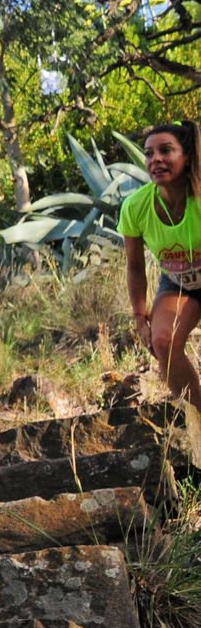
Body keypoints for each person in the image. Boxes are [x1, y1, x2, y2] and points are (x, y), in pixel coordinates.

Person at [122, 121, 201, 413]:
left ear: (187, 156)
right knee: (162, 342)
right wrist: (141, 316)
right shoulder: (135, 207)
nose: (155, 159)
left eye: (166, 150)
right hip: (178, 283)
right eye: (149, 153)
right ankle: (199, 418)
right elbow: (134, 268)